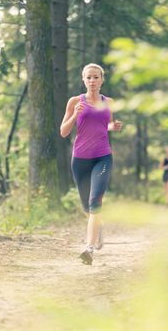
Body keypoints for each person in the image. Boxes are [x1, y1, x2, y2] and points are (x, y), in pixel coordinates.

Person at [60, 63, 122, 265]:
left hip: (102, 157)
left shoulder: (109, 102)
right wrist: (75, 115)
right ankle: (98, 226)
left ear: (102, 80)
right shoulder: (75, 101)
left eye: (96, 77)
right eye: (89, 77)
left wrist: (115, 126)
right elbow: (63, 131)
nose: (92, 81)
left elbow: (107, 124)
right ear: (83, 79)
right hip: (80, 160)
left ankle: (89, 248)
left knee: (96, 202)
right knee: (87, 206)